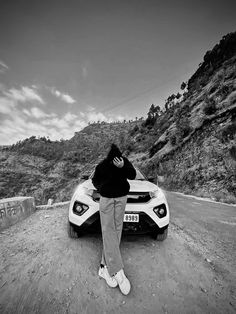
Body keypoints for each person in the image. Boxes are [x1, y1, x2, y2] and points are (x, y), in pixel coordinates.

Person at [92, 143, 136, 295]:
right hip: (107, 200)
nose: (116, 161)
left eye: (118, 159)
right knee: (108, 231)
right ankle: (118, 271)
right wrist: (102, 189)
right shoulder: (102, 165)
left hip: (121, 199)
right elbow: (94, 180)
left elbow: (132, 175)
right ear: (109, 158)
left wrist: (123, 166)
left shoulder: (124, 161)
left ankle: (104, 268)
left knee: (116, 231)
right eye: (114, 159)